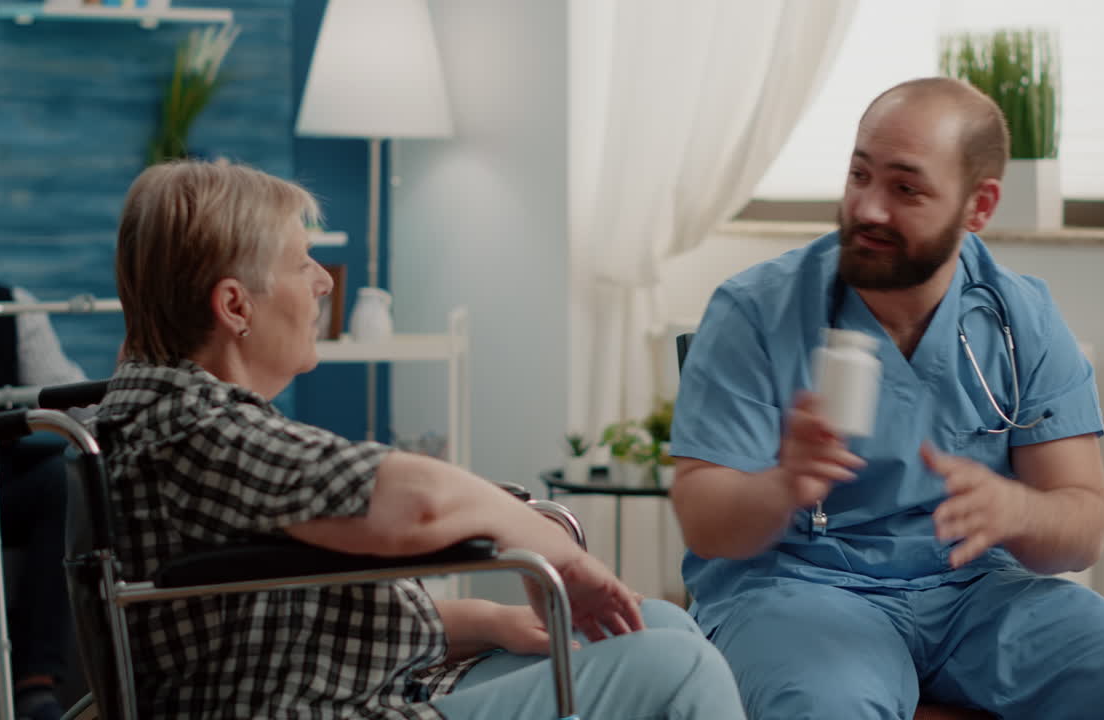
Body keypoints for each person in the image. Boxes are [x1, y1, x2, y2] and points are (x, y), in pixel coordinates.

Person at [94, 160, 745, 720]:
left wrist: (490, 621)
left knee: (658, 623)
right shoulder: (194, 429)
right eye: (301, 262)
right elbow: (420, 503)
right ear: (236, 306)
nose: (324, 281)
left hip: (357, 688)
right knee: (677, 669)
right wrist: (553, 550)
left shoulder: (181, 415)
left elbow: (284, 622)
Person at [669, 77, 1104, 720]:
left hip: (973, 592)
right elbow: (704, 520)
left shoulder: (1020, 318)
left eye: (906, 189)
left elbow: (1083, 530)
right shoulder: (757, 310)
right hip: (797, 588)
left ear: (979, 205)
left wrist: (1018, 511)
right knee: (829, 706)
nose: (869, 208)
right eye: (859, 175)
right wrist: (782, 485)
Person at [0, 283, 88, 720]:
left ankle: (36, 683)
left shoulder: (12, 305)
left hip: (1, 482)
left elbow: (71, 400)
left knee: (61, 480)